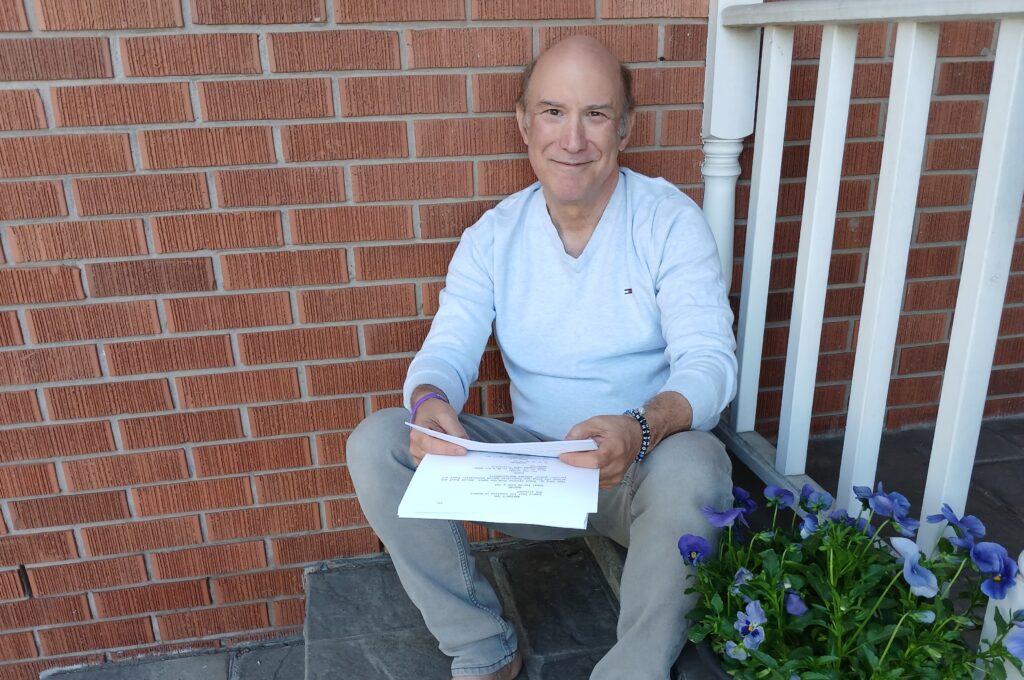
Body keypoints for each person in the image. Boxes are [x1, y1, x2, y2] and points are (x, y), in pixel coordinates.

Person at [347, 36, 736, 680]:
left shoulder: (670, 221)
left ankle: (632, 669)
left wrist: (641, 427)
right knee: (379, 441)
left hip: (637, 473)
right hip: (529, 477)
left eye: (596, 113)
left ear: (626, 125)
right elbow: (447, 346)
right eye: (553, 111)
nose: (573, 139)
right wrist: (430, 401)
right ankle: (480, 646)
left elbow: (710, 362)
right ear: (522, 121)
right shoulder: (494, 235)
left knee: (699, 458)